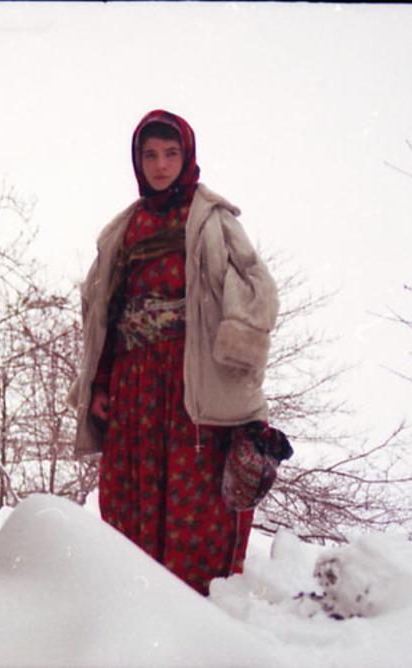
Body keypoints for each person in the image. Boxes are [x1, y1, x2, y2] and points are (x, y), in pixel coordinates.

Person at [68, 109, 279, 595]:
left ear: (187, 156)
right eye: (150, 155)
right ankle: (136, 596)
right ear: (137, 162)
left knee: (196, 492)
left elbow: (254, 285)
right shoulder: (125, 228)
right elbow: (104, 310)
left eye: (171, 154)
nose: (160, 165)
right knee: (131, 490)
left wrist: (240, 362)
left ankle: (195, 604)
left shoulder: (212, 220)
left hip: (193, 378)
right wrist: (99, 384)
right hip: (135, 381)